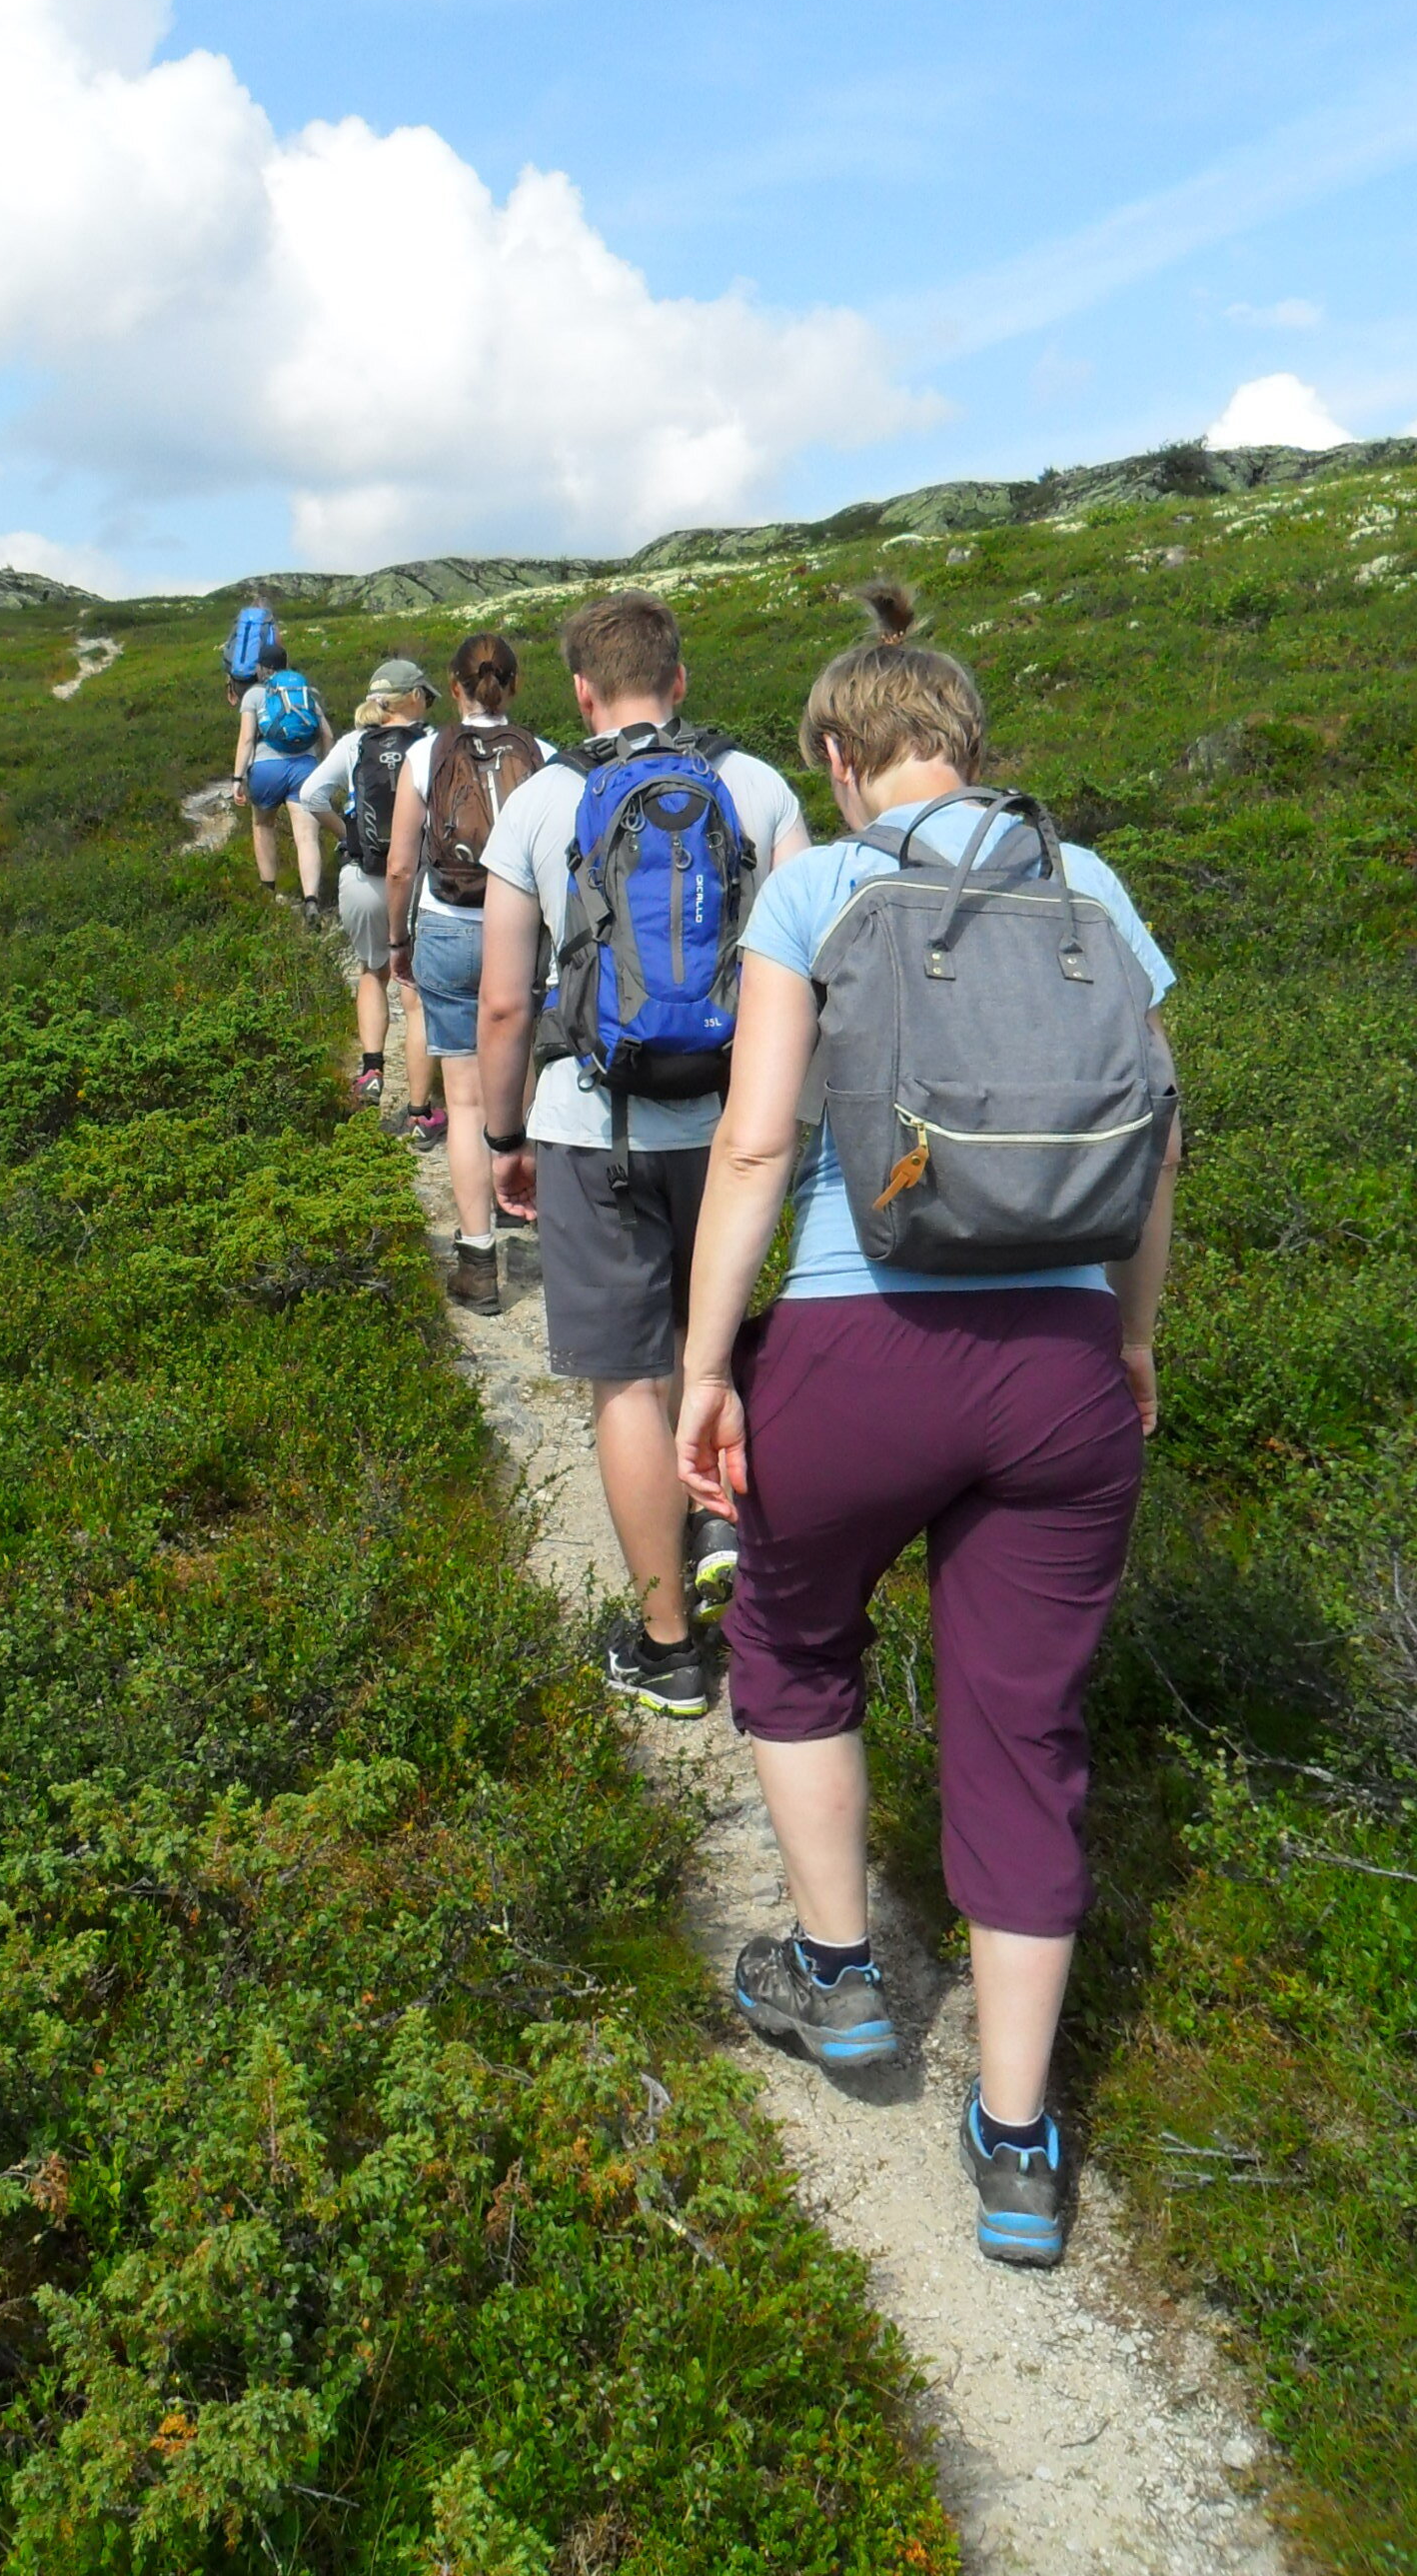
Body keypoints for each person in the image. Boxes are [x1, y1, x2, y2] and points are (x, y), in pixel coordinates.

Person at [673, 586, 1180, 2268]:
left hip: (851, 1341)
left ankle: (835, 1977)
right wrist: (1126, 1336)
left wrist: (698, 1367)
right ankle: (1020, 2144)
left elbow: (752, 1150)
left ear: (835, 759)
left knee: (791, 1629)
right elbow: (1153, 1141)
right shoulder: (1083, 881)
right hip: (1055, 1365)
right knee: (1020, 1727)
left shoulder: (815, 885)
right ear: (967, 744)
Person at [476, 593, 808, 1719]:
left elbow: (507, 1004)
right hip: (735, 1130)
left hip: (589, 1127)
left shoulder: (538, 799)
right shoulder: (758, 789)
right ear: (682, 678)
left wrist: (504, 1135)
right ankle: (727, 1528)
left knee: (629, 1375)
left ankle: (668, 1647)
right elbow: (809, 978)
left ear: (577, 690)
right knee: (717, 1346)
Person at [388, 634, 554, 1311]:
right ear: (513, 686)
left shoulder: (426, 753)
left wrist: (398, 940)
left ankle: (479, 1261)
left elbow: (401, 865)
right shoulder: (542, 755)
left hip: (448, 928)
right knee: (529, 1084)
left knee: (464, 1102)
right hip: (523, 930)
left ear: (453, 688)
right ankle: (541, 1218)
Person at [298, 660, 441, 1115]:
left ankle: (372, 1068)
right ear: (414, 697)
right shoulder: (433, 743)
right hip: (418, 881)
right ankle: (421, 1112)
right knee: (414, 995)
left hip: (362, 877)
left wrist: (347, 836)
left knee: (371, 970)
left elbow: (310, 796)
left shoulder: (354, 743)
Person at [230, 624, 335, 915]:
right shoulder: (306, 691)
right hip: (304, 769)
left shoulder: (253, 695)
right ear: (286, 666)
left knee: (263, 825)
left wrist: (237, 778)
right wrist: (324, 769)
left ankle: (269, 892)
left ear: (262, 669)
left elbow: (248, 739)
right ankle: (311, 900)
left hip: (265, 770)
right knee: (306, 836)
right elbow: (326, 734)